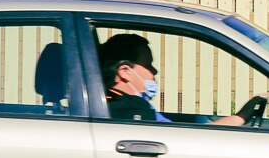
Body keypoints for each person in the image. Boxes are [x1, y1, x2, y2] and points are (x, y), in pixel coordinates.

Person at [97, 32, 247, 125]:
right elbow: (189, 141)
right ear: (125, 72)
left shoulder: (133, 104)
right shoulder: (128, 110)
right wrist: (240, 117)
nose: (155, 71)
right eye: (148, 65)